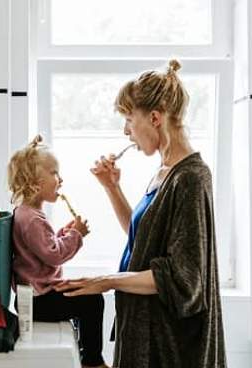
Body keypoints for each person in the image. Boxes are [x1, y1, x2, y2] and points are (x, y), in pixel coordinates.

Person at [55, 59, 227, 368]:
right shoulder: (164, 172)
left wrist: (107, 281)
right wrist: (112, 187)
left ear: (156, 118)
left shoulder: (191, 177)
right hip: (144, 329)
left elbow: (185, 280)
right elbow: (144, 241)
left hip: (172, 345)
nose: (126, 131)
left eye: (129, 119)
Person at [7, 135, 108, 368]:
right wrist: (76, 235)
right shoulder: (31, 219)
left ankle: (87, 353)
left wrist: (63, 233)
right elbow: (53, 254)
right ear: (34, 181)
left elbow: (43, 247)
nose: (60, 179)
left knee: (87, 293)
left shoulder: (28, 214)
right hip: (40, 301)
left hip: (37, 298)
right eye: (54, 173)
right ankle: (92, 361)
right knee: (92, 301)